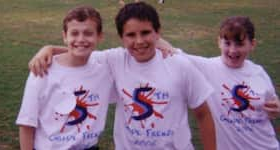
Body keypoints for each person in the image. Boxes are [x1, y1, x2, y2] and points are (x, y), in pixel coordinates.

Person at [28, 2, 216, 150]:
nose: (139, 41)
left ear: (158, 33)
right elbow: (80, 51)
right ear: (121, 38)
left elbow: (204, 114)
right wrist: (50, 49)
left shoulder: (179, 64)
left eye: (146, 33)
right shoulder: (115, 59)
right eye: (131, 35)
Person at [158, 16, 280, 150]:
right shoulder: (206, 68)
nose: (233, 50)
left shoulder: (259, 73)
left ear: (252, 44)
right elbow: (169, 50)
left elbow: (272, 103)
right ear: (219, 42)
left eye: (239, 44)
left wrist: (276, 108)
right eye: (227, 43)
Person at [16, 6, 117, 150]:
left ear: (100, 36)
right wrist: (49, 48)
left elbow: (139, 49)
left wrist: (161, 43)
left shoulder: (105, 68)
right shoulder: (43, 69)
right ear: (64, 36)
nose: (81, 39)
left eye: (88, 33)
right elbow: (27, 124)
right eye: (74, 33)